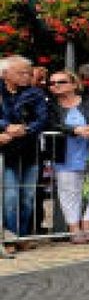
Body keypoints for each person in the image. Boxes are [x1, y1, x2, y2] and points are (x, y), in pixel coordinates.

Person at [46, 71, 89, 244]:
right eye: (52, 83)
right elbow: (51, 124)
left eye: (61, 81)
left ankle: (87, 226)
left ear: (74, 84)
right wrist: (75, 130)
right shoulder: (50, 105)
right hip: (65, 156)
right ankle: (74, 229)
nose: (55, 85)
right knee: (68, 192)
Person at [1, 55, 51, 243]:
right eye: (20, 72)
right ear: (5, 74)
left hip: (30, 151)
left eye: (28, 73)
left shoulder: (35, 93)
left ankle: (22, 236)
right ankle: (10, 237)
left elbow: (42, 118)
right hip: (6, 152)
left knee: (28, 197)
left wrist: (25, 129)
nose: (26, 76)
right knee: (10, 196)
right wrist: (6, 126)